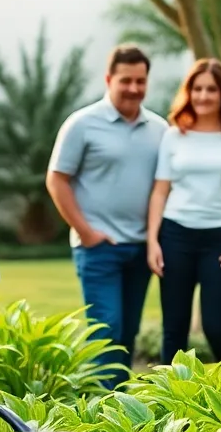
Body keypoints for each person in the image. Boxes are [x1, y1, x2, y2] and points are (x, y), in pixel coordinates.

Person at [46, 44, 166, 389]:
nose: (133, 88)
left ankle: (118, 402)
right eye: (125, 80)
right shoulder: (82, 124)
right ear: (109, 78)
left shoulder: (159, 129)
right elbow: (57, 179)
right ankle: (98, 406)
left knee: (128, 329)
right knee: (106, 327)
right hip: (98, 248)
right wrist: (85, 232)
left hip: (141, 248)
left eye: (140, 81)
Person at [146, 58, 221, 365]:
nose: (203, 96)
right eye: (197, 89)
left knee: (215, 325)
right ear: (188, 92)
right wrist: (153, 241)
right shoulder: (174, 135)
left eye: (211, 89)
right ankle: (170, 399)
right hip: (176, 236)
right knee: (174, 329)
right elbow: (160, 191)